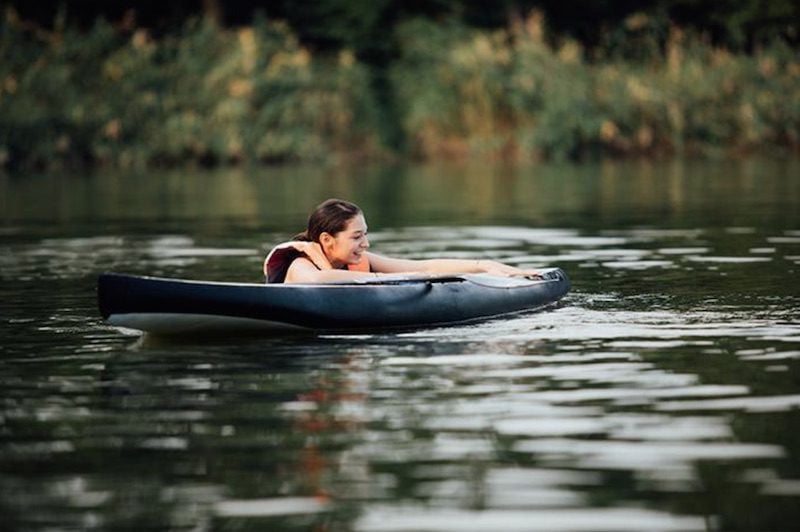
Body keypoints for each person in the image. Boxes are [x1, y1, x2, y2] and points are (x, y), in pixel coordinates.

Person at [264, 199, 540, 284]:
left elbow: (424, 266)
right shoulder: (300, 264)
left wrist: (483, 266)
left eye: (366, 234)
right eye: (357, 237)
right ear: (327, 239)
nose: (366, 244)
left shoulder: (361, 262)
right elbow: (314, 282)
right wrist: (380, 280)